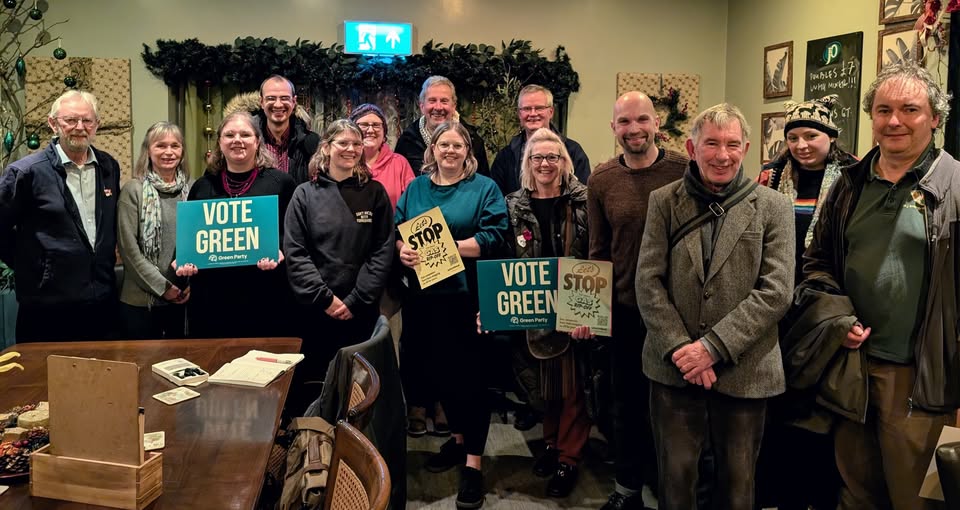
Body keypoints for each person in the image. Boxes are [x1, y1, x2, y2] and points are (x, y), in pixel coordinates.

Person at [799, 61, 960, 510]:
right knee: (855, 493)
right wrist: (837, 317)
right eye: (883, 109)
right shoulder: (850, 184)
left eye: (910, 109)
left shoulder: (955, 187)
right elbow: (816, 263)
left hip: (923, 380)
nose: (894, 121)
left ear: (935, 118)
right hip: (851, 368)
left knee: (919, 500)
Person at [636, 103, 794, 510]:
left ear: (745, 148)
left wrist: (711, 348)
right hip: (674, 369)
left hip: (746, 369)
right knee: (676, 482)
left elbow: (776, 291)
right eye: (711, 143)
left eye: (731, 145)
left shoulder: (774, 206)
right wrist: (680, 348)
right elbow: (648, 281)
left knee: (738, 488)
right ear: (691, 147)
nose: (721, 155)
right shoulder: (664, 202)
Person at [395, 121, 507, 509]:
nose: (450, 150)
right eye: (444, 144)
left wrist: (451, 247)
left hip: (468, 300)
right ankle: (459, 444)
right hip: (426, 301)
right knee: (438, 376)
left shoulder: (484, 189)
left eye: (458, 145)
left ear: (468, 151)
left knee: (471, 381)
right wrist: (403, 252)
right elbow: (399, 231)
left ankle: (473, 465)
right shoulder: (416, 188)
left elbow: (496, 237)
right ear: (433, 149)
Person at [753, 94, 857, 510]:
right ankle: (775, 492)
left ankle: (816, 495)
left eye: (811, 135)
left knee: (816, 406)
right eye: (793, 137)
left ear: (830, 137)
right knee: (775, 403)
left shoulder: (852, 178)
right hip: (773, 301)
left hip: (821, 303)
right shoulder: (769, 176)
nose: (801, 145)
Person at [587, 91, 688, 510]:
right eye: (624, 122)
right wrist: (591, 314)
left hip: (678, 313)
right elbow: (597, 252)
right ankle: (627, 489)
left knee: (674, 408)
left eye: (641, 120)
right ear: (614, 128)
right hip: (626, 311)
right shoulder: (601, 179)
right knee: (625, 405)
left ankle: (673, 489)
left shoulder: (685, 170)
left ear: (656, 124)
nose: (634, 129)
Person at [502, 127, 592, 498]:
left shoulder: (585, 201)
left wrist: (593, 309)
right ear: (527, 163)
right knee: (546, 383)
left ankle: (569, 458)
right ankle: (552, 444)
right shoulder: (513, 205)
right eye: (537, 157)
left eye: (552, 157)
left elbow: (597, 252)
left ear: (564, 162)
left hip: (576, 300)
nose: (545, 163)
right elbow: (503, 258)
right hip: (533, 303)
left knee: (572, 385)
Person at [283, 119, 395, 415]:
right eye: (343, 143)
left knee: (358, 391)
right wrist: (325, 298)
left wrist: (355, 300)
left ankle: (354, 453)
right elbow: (296, 251)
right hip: (316, 312)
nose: (351, 149)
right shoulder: (304, 194)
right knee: (315, 388)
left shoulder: (375, 194)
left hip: (360, 311)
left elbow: (382, 250)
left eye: (356, 144)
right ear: (327, 148)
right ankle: (313, 450)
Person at [0, 90, 121, 342]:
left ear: (96, 125)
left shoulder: (109, 167)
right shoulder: (25, 173)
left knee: (101, 380)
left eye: (87, 121)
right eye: (70, 120)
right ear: (53, 123)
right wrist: (34, 266)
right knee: (44, 381)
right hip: (46, 309)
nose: (80, 127)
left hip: (100, 304)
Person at [175, 111, 297, 338]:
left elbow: (295, 235)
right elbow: (189, 239)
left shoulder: (281, 183)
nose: (237, 140)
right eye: (230, 135)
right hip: (212, 302)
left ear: (257, 141)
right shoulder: (203, 186)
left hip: (264, 295)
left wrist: (279, 250)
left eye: (245, 134)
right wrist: (184, 262)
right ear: (220, 142)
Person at [117, 121, 192, 339]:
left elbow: (202, 245)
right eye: (160, 146)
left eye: (175, 146)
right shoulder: (133, 190)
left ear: (182, 151)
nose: (168, 152)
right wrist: (164, 287)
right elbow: (129, 251)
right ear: (148, 151)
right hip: (141, 304)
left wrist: (191, 287)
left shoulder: (193, 189)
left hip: (183, 300)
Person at [491, 84, 591, 195]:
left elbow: (583, 196)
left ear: (551, 112)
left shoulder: (572, 151)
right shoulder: (505, 157)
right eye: (527, 109)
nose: (533, 114)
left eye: (539, 108)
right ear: (519, 114)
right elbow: (497, 200)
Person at [395, 76, 489, 176]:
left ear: (454, 106)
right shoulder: (406, 142)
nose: (438, 107)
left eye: (444, 101)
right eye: (432, 100)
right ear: (422, 106)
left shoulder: (472, 141)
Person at [348, 103, 415, 211]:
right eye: (364, 125)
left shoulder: (399, 163)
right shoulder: (344, 162)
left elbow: (415, 204)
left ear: (384, 133)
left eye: (376, 125)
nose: (370, 130)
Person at [256, 75, 320, 184]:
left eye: (284, 98)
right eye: (271, 98)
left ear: (294, 102)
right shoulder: (249, 142)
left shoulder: (311, 143)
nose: (278, 104)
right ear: (261, 102)